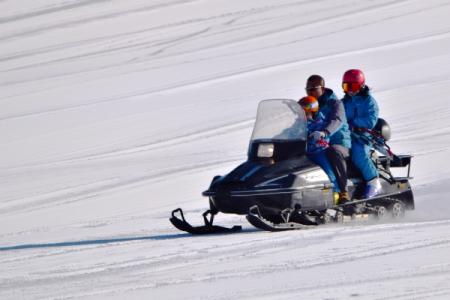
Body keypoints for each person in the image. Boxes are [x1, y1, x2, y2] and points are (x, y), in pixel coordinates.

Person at [305, 75, 351, 204]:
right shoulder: (311, 104)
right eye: (308, 89)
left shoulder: (335, 103)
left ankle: (343, 191)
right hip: (317, 144)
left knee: (333, 152)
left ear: (322, 88)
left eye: (313, 89)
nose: (310, 92)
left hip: (338, 141)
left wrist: (325, 132)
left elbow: (337, 120)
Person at [341, 69, 381, 198]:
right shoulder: (344, 102)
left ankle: (373, 181)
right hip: (345, 135)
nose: (350, 90)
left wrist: (354, 123)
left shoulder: (369, 102)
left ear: (361, 85)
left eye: (354, 86)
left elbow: (370, 120)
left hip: (362, 136)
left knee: (359, 153)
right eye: (346, 86)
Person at [298, 96, 342, 202]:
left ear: (312, 111)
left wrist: (321, 135)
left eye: (305, 112)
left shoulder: (320, 122)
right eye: (301, 111)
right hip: (302, 153)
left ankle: (336, 193)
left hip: (318, 152)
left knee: (327, 171)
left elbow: (325, 134)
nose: (303, 115)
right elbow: (289, 131)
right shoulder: (298, 124)